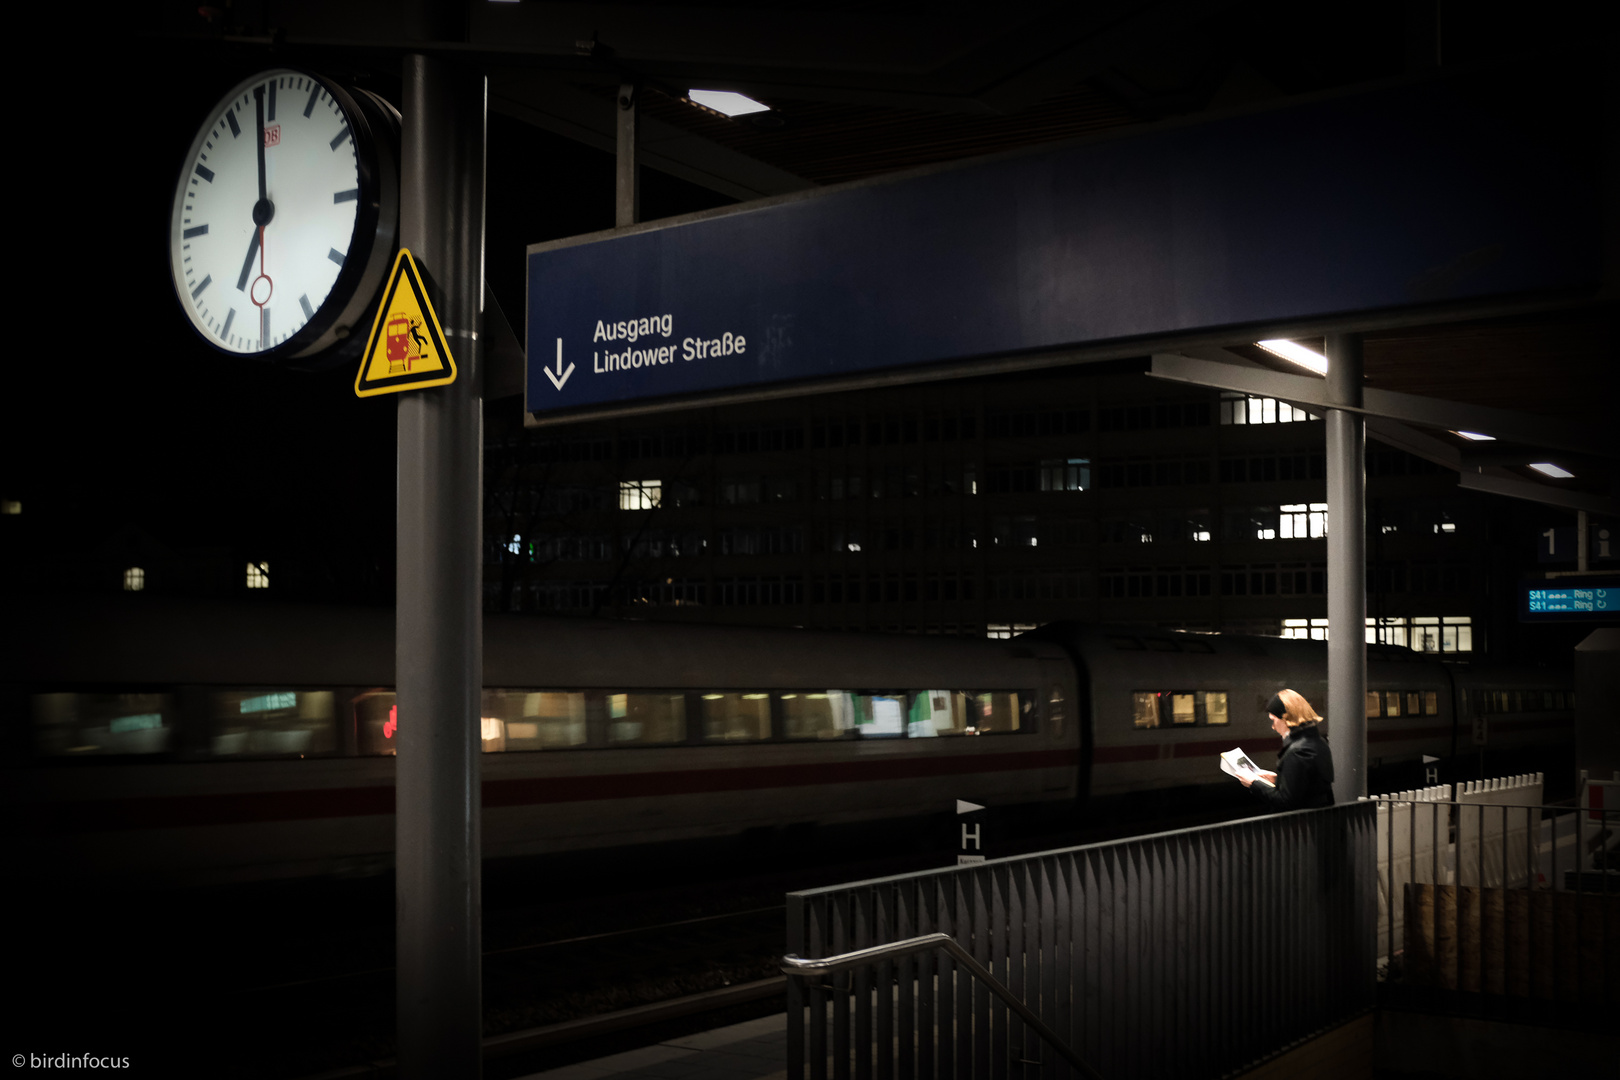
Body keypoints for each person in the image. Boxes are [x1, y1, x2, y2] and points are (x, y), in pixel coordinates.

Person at [1239, 689, 1335, 810]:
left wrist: (1253, 783)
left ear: (1285, 718)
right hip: (1320, 820)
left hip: (1305, 826)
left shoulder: (1299, 752)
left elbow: (1285, 801)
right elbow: (1308, 786)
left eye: (1273, 720)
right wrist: (1278, 779)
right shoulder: (1318, 742)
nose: (1273, 727)